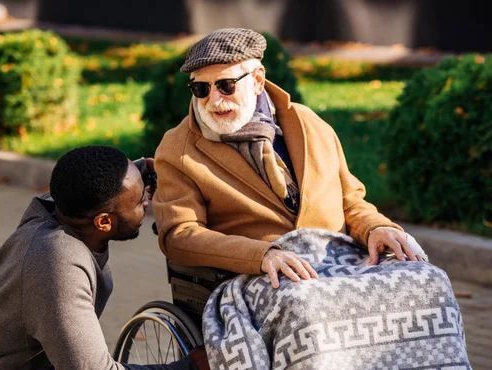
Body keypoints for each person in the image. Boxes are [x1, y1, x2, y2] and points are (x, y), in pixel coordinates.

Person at [0, 146, 212, 370]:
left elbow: (87, 180)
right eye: (140, 202)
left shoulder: (62, 209)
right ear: (103, 222)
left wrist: (144, 169)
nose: (147, 202)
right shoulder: (57, 263)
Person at [153, 28, 427, 289]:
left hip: (340, 264)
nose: (213, 101)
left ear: (258, 80)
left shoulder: (308, 123)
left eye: (226, 86)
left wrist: (375, 227)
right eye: (201, 89)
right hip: (258, 277)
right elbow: (179, 235)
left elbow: (350, 201)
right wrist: (261, 256)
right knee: (309, 309)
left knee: (425, 281)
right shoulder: (178, 149)